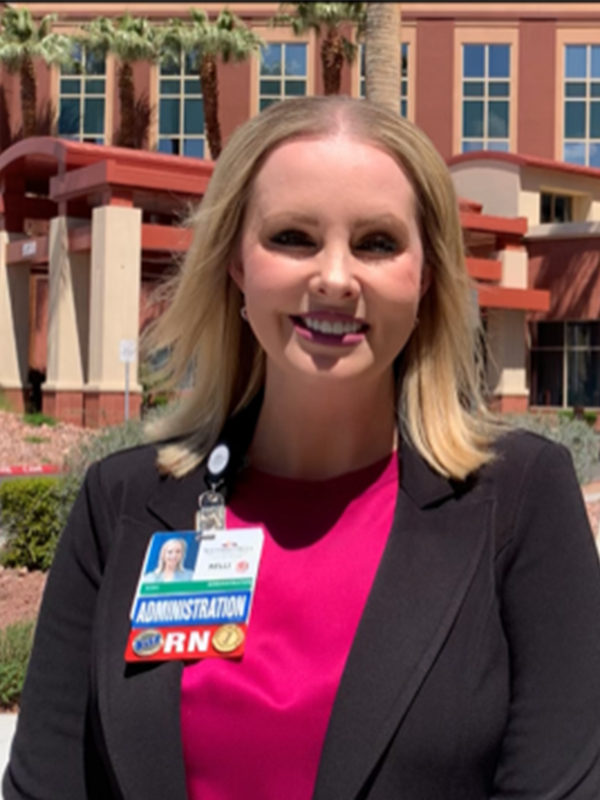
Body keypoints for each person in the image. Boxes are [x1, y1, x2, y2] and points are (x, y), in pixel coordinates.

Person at [4, 95, 600, 800]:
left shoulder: (522, 503)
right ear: (234, 263)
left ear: (427, 275)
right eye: (292, 237)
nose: (336, 278)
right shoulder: (122, 506)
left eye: (378, 243)